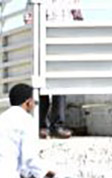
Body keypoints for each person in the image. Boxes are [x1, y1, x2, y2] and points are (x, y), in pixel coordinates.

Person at [26, 0, 83, 138]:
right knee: (42, 86)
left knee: (60, 85)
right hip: (42, 43)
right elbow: (28, 20)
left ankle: (58, 126)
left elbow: (79, 18)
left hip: (63, 42)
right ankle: (41, 125)